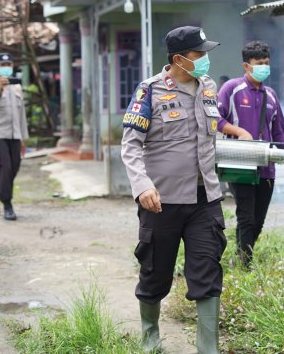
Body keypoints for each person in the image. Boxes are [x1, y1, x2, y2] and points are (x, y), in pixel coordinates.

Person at [120, 26, 226, 353]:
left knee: (207, 270)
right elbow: (131, 146)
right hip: (161, 202)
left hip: (205, 199)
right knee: (155, 273)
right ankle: (150, 337)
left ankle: (208, 348)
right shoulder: (149, 91)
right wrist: (142, 186)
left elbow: (213, 139)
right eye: (199, 54)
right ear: (179, 59)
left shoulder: (208, 88)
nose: (205, 59)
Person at [217, 40, 284, 267]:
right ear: (246, 66)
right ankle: (244, 264)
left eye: (267, 63)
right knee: (246, 216)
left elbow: (281, 134)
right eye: (259, 63)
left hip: (266, 168)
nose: (264, 67)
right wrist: (239, 131)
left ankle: (240, 257)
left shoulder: (270, 95)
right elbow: (215, 119)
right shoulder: (232, 89)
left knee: (258, 220)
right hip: (239, 165)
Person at [0, 52, 28, 221]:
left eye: (9, 64)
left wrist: (23, 138)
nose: (6, 67)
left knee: (14, 168)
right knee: (5, 169)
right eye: (3, 65)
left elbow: (21, 114)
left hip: (15, 135)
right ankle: (7, 205)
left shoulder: (17, 87)